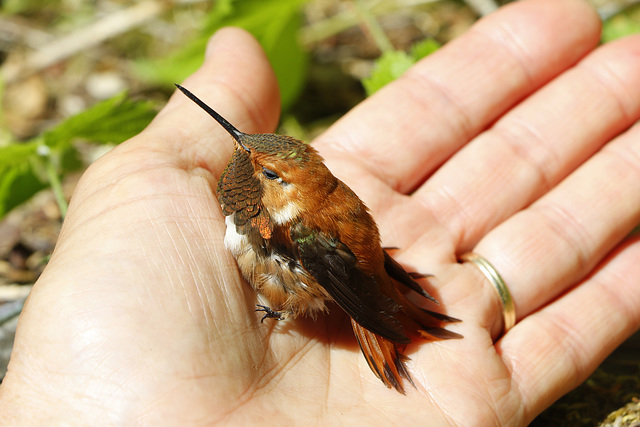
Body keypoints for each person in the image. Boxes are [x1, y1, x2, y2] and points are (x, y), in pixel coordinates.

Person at [1, 0, 639, 424]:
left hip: (336, 277)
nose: (249, 162)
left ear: (289, 183)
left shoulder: (299, 226)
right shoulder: (270, 198)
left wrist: (370, 305)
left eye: (268, 170)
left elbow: (336, 272)